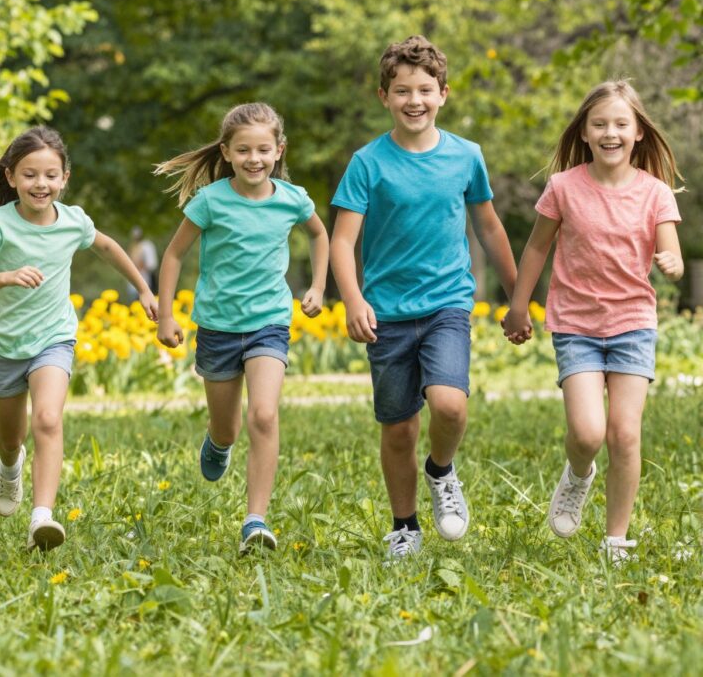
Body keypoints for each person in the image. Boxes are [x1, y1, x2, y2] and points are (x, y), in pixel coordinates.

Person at [329, 36, 518, 561]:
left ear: (443, 94)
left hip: (447, 306)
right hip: (386, 313)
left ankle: (441, 469)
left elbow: (488, 226)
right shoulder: (368, 162)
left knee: (450, 407)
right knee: (398, 429)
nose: (415, 100)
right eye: (403, 90)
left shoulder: (466, 156)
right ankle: (405, 526)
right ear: (383, 96)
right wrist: (352, 299)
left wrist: (516, 295)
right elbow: (343, 241)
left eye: (425, 90)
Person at [502, 80, 682, 564]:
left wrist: (672, 264)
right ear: (584, 131)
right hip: (576, 324)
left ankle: (615, 539)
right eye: (600, 123)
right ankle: (579, 474)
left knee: (625, 433)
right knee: (587, 434)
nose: (611, 133)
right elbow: (538, 246)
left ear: (639, 132)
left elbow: (673, 253)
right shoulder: (563, 187)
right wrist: (519, 306)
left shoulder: (656, 193)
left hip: (633, 324)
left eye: (621, 124)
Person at [0, 126, 156, 551]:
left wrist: (144, 288)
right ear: (10, 177)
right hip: (4, 345)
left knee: (48, 419)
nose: (40, 184)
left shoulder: (74, 221)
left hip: (54, 338)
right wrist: (7, 276)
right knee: (11, 438)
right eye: (29, 175)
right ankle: (11, 468)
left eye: (50, 175)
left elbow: (108, 248)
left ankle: (41, 517)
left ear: (64, 177)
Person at [155, 102, 329, 554]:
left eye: (264, 150)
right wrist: (167, 313)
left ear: (279, 151)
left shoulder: (292, 199)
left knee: (265, 415)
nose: (255, 159)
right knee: (228, 427)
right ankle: (218, 442)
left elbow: (319, 234)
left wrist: (318, 285)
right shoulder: (210, 201)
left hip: (269, 321)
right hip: (217, 325)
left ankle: (255, 520)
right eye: (244, 150)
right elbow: (173, 255)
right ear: (228, 153)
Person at [125, 227, 159, 301]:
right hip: (132, 282)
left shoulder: (146, 246)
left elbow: (151, 264)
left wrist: (142, 266)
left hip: (145, 278)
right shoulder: (132, 247)